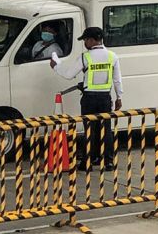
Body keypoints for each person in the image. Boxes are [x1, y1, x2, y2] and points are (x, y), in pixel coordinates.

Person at [50, 27, 122, 171]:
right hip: (105, 98)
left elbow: (69, 74)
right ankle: (108, 161)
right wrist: (119, 97)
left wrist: (56, 66)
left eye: (85, 40)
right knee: (106, 130)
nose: (84, 43)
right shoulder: (112, 56)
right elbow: (117, 80)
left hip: (89, 99)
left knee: (90, 130)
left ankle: (87, 161)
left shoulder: (85, 57)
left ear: (91, 40)